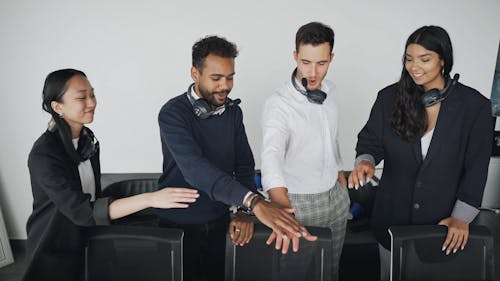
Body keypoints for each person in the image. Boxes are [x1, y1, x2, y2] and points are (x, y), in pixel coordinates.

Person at [157, 35, 316, 281]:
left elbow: (243, 164)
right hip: (178, 227)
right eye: (216, 78)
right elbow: (196, 170)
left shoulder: (232, 111)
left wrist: (243, 211)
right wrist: (255, 202)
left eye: (230, 77)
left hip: (220, 221)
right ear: (194, 73)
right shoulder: (172, 113)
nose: (225, 86)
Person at [23, 69, 200, 281]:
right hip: (55, 245)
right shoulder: (44, 154)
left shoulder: (88, 140)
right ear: (57, 106)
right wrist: (151, 198)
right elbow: (84, 211)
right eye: (81, 97)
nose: (91, 102)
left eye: (92, 94)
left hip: (90, 239)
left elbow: (93, 198)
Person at [348, 25, 493, 281]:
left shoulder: (475, 107)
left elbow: (477, 167)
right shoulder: (388, 98)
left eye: (424, 59)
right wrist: (365, 163)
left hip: (444, 224)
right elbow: (369, 143)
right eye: (409, 58)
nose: (415, 67)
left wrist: (461, 218)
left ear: (443, 60)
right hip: (391, 221)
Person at [261, 22, 350, 281]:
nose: (313, 72)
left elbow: (331, 138)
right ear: (295, 57)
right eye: (306, 62)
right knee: (296, 274)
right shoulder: (279, 104)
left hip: (336, 197)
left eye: (321, 63)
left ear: (331, 58)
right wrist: (280, 206)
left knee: (331, 270)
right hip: (298, 202)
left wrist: (340, 172)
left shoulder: (331, 91)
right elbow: (271, 154)